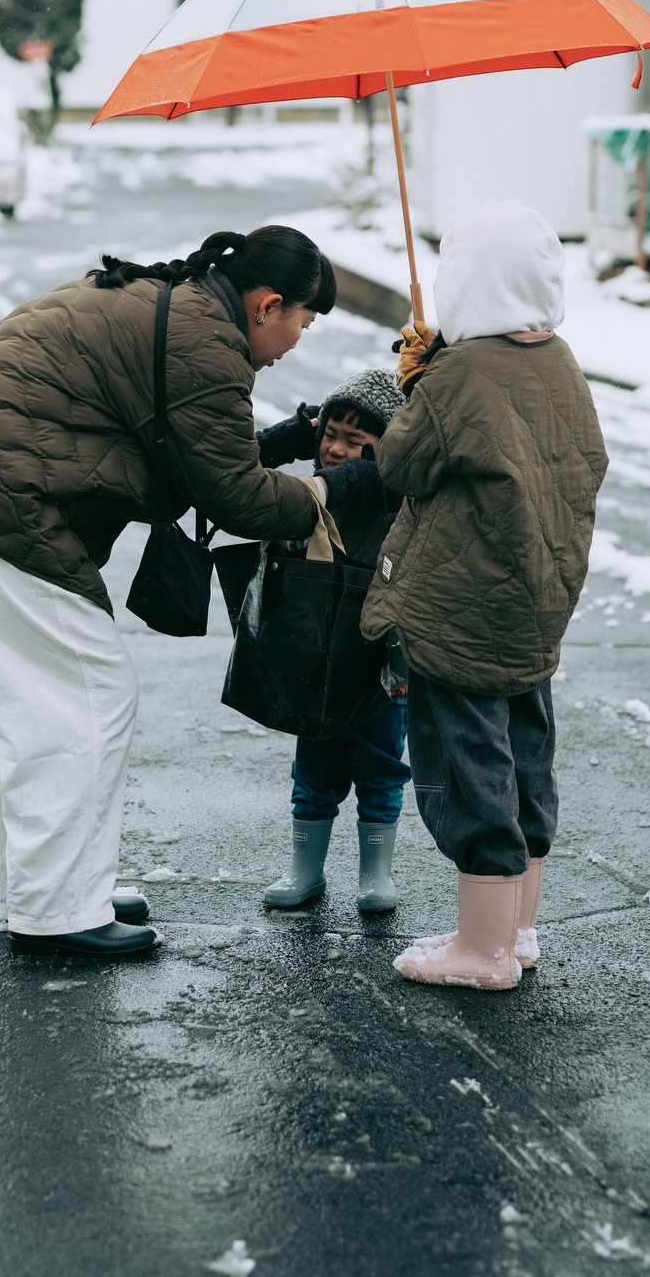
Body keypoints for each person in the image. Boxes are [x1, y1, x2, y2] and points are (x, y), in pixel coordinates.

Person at [0, 227, 335, 962]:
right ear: (268, 305)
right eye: (302, 326)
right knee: (86, 692)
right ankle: (54, 909)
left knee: (5, 709)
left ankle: (45, 888)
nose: (294, 344)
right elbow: (235, 496)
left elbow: (180, 444)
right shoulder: (206, 341)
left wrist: (276, 444)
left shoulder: (175, 306)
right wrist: (328, 496)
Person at [361, 202, 608, 990]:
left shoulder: (460, 373)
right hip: (535, 598)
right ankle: (516, 929)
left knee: (465, 768)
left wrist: (418, 382)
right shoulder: (560, 361)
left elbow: (401, 464)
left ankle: (483, 950)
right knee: (525, 756)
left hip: (460, 608)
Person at [254, 369, 409, 914]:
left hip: (381, 656)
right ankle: (306, 870)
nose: (337, 451)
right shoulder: (314, 485)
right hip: (318, 654)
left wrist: (324, 480)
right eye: (330, 435)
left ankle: (375, 874)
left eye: (355, 440)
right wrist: (301, 431)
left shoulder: (394, 489)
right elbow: (250, 458)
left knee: (381, 761)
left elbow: (366, 480)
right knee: (314, 761)